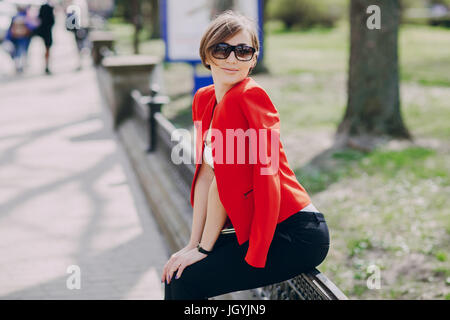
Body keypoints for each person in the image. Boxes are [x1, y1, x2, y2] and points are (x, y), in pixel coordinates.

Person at [162, 10, 331, 300]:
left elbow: (228, 183)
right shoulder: (204, 100)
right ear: (206, 55)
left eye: (243, 51)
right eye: (221, 49)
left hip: (294, 232)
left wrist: (204, 249)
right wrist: (192, 244)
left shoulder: (248, 97)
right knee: (178, 274)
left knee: (185, 280)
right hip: (266, 224)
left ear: (253, 60)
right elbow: (206, 175)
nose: (231, 59)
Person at [5, 5, 38, 73]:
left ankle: (18, 65)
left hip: (16, 37)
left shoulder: (15, 17)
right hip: (24, 38)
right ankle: (21, 65)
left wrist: (8, 38)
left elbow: (10, 29)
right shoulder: (26, 17)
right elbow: (31, 27)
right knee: (23, 52)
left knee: (17, 52)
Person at [67, 0, 90, 70]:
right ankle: (81, 61)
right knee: (82, 44)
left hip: (79, 26)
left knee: (80, 45)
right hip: (83, 26)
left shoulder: (75, 3)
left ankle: (81, 62)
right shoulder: (83, 2)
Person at [34, 1, 55, 74]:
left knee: (46, 49)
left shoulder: (42, 7)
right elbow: (52, 21)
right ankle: (46, 65)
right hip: (47, 32)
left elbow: (39, 18)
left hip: (43, 31)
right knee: (47, 49)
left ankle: (46, 65)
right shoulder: (50, 8)